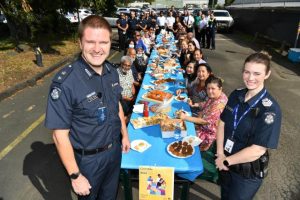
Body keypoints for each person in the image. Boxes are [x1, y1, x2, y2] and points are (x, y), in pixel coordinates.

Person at [45, 15, 130, 199]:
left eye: (103, 42)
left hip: (114, 152)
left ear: (110, 42)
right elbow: (59, 136)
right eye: (91, 42)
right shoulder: (66, 82)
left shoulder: (111, 72)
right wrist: (75, 175)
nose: (98, 49)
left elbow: (116, 105)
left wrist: (125, 135)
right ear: (80, 43)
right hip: (88, 162)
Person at [215, 52, 282, 199]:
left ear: (267, 74)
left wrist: (226, 161)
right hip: (224, 162)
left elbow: (257, 150)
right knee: (224, 195)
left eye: (257, 73)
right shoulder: (236, 95)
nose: (250, 78)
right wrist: (220, 153)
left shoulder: (270, 109)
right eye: (247, 72)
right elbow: (222, 123)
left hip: (245, 175)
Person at [180, 76, 228, 151]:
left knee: (182, 135)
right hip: (201, 122)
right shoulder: (218, 95)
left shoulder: (219, 104)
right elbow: (206, 103)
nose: (210, 91)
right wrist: (195, 104)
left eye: (213, 88)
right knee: (182, 124)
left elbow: (204, 121)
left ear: (220, 89)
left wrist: (185, 117)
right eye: (208, 88)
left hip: (207, 133)